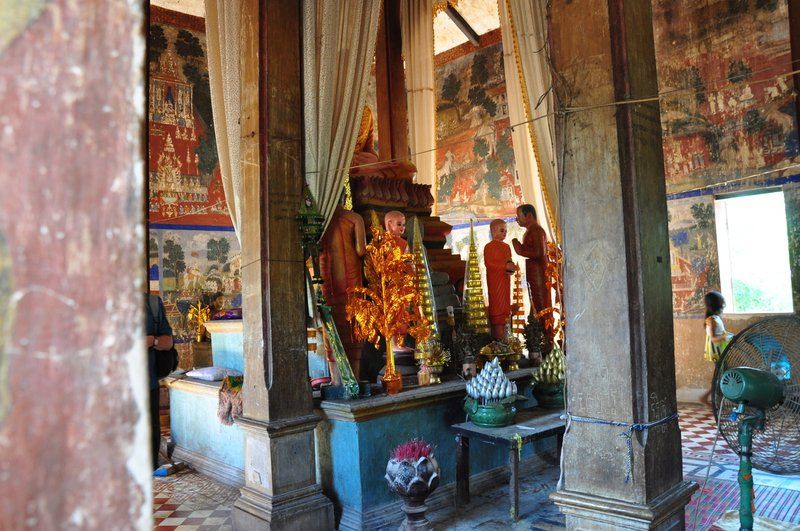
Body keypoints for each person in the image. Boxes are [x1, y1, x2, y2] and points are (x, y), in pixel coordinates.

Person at [319, 204, 367, 378]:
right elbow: (361, 250)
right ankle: (355, 377)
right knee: (353, 327)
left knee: (330, 325)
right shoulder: (354, 218)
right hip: (351, 280)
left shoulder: (320, 219)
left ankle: (336, 380)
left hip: (327, 278)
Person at [511, 204, 552, 351]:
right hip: (534, 274)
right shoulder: (531, 231)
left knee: (542, 306)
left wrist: (520, 249)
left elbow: (540, 252)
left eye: (519, 216)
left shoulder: (537, 231)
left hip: (540, 274)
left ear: (528, 216)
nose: (517, 220)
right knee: (536, 306)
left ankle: (548, 340)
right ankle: (542, 340)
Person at [145, 293, 174, 471]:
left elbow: (168, 342)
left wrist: (152, 340)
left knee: (150, 429)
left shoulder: (152, 304)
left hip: (147, 383)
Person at [484, 219, 517, 339]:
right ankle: (499, 339)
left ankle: (506, 338)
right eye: (502, 230)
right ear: (493, 231)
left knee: (505, 308)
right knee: (497, 307)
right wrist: (504, 266)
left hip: (505, 280)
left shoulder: (507, 247)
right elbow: (489, 264)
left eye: (506, 231)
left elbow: (509, 262)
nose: (505, 233)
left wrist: (511, 268)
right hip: (495, 281)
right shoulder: (489, 247)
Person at [701, 291, 733, 406]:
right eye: (722, 302)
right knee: (722, 377)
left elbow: (721, 333)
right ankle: (715, 402)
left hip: (721, 352)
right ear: (717, 304)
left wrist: (727, 335)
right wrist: (725, 337)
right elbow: (714, 338)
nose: (723, 304)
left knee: (722, 376)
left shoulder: (716, 318)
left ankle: (710, 399)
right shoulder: (711, 320)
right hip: (717, 353)